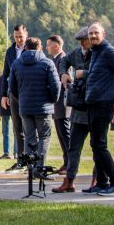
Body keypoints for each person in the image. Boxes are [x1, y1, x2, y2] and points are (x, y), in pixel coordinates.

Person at [81, 23, 114, 196]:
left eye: (96, 33)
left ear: (103, 34)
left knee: (100, 145)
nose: (93, 36)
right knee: (95, 145)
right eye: (91, 34)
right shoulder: (96, 52)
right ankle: (102, 183)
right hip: (94, 103)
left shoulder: (109, 51)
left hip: (105, 103)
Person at [9, 37, 60, 178]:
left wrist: (22, 99)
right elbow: (56, 86)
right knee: (44, 137)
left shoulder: (17, 63)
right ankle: (40, 168)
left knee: (29, 138)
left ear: (25, 47)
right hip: (43, 107)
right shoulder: (47, 63)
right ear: (40, 48)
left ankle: (30, 170)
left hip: (25, 107)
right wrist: (52, 100)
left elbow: (12, 87)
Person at [53, 27, 90, 193]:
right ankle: (69, 181)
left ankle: (98, 181)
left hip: (95, 106)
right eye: (81, 41)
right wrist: (63, 73)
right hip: (79, 106)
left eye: (85, 40)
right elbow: (63, 61)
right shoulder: (76, 53)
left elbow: (106, 73)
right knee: (73, 147)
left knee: (98, 147)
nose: (83, 44)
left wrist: (84, 73)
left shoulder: (102, 53)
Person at [0, 24, 28, 171]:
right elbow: (5, 74)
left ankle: (31, 162)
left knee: (29, 128)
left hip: (28, 94)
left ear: (26, 35)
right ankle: (20, 160)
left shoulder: (32, 49)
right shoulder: (10, 51)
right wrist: (4, 94)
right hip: (13, 94)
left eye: (21, 37)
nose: (18, 39)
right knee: (18, 129)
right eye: (16, 37)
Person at [46, 35, 70, 173]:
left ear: (56, 46)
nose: (47, 47)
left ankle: (69, 163)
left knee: (65, 134)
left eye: (49, 44)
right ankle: (66, 162)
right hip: (57, 104)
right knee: (61, 135)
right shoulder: (56, 60)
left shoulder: (63, 60)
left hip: (63, 103)